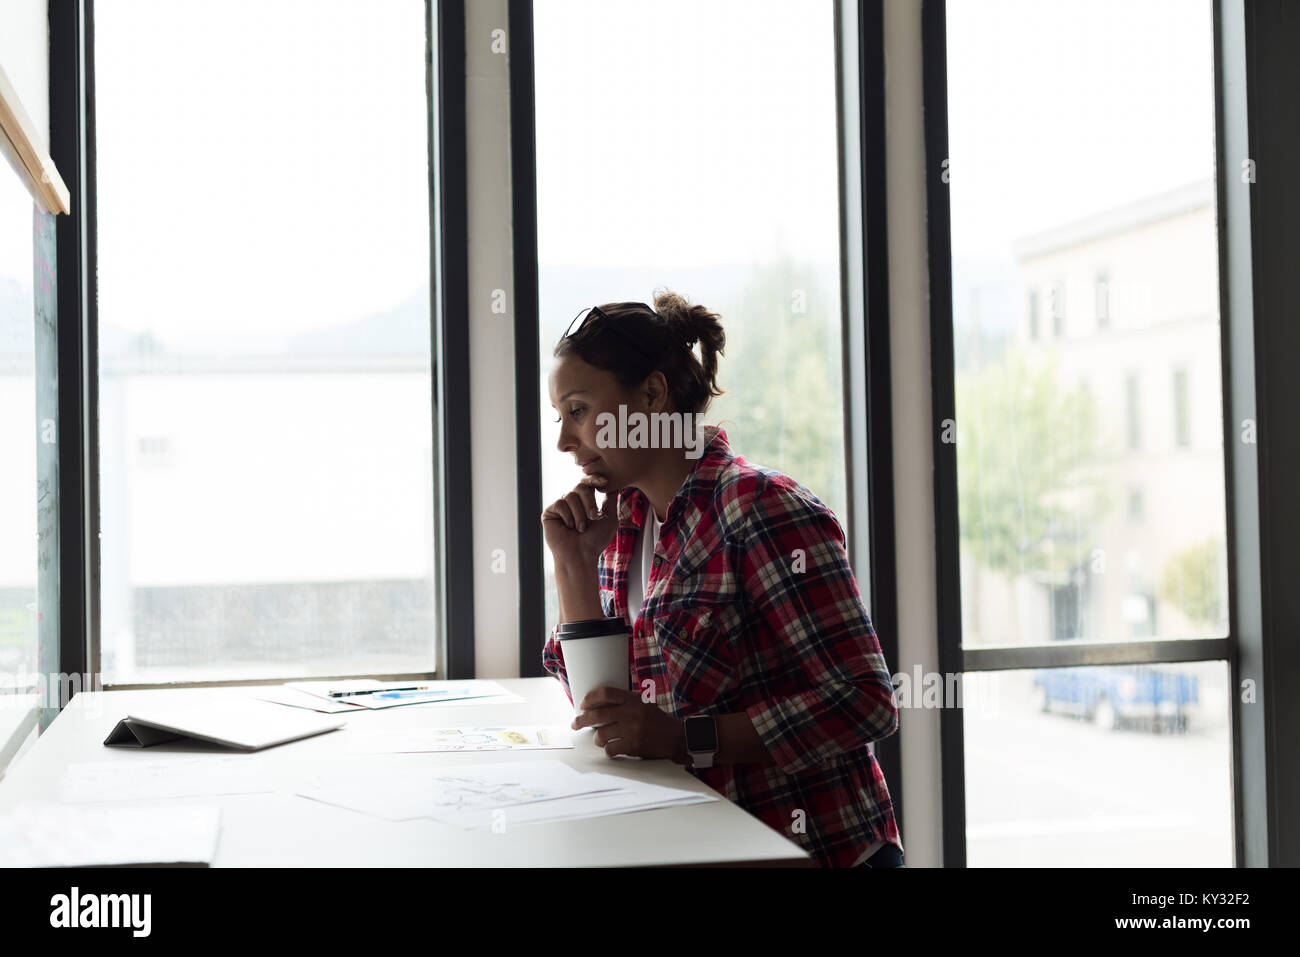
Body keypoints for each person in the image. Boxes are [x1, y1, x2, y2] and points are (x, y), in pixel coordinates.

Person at [540, 290, 904, 869]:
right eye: (561, 417)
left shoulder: (761, 508)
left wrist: (686, 739)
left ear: (653, 394)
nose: (563, 440)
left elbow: (865, 704)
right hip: (700, 847)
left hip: (815, 852)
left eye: (579, 411)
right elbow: (604, 715)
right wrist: (572, 567)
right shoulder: (621, 529)